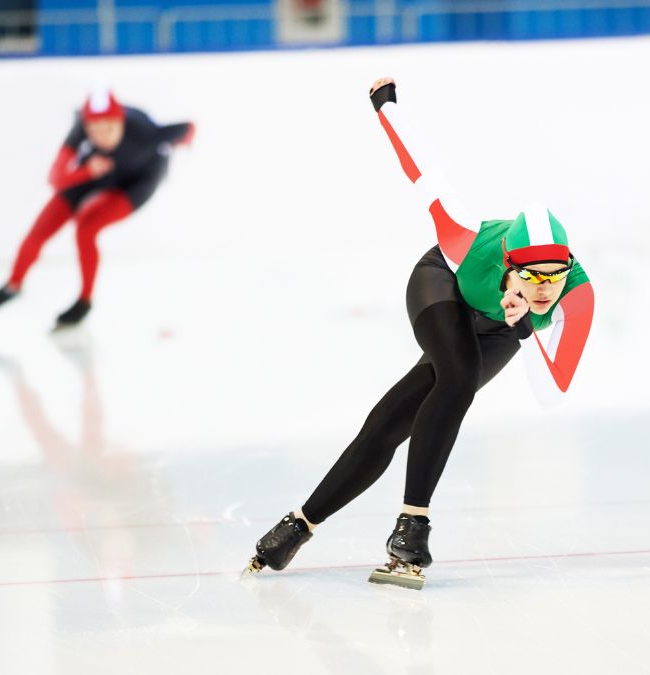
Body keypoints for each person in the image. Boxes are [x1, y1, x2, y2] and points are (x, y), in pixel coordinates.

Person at [244, 78, 595, 589]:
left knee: (390, 422)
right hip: (442, 286)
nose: (546, 288)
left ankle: (297, 526)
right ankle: (414, 524)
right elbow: (423, 169)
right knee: (456, 377)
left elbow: (551, 391)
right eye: (533, 275)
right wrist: (386, 107)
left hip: (501, 328)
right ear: (508, 263)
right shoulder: (463, 238)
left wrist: (523, 326)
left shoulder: (577, 296)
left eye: (555, 275)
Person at [0, 89, 194, 328]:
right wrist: (87, 171)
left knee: (86, 229)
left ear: (121, 121)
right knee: (40, 229)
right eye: (94, 130)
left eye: (109, 128)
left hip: (138, 181)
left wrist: (185, 144)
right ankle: (12, 286)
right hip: (96, 172)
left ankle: (84, 300)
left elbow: (188, 127)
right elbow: (55, 178)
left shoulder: (147, 133)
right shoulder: (80, 129)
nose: (102, 137)